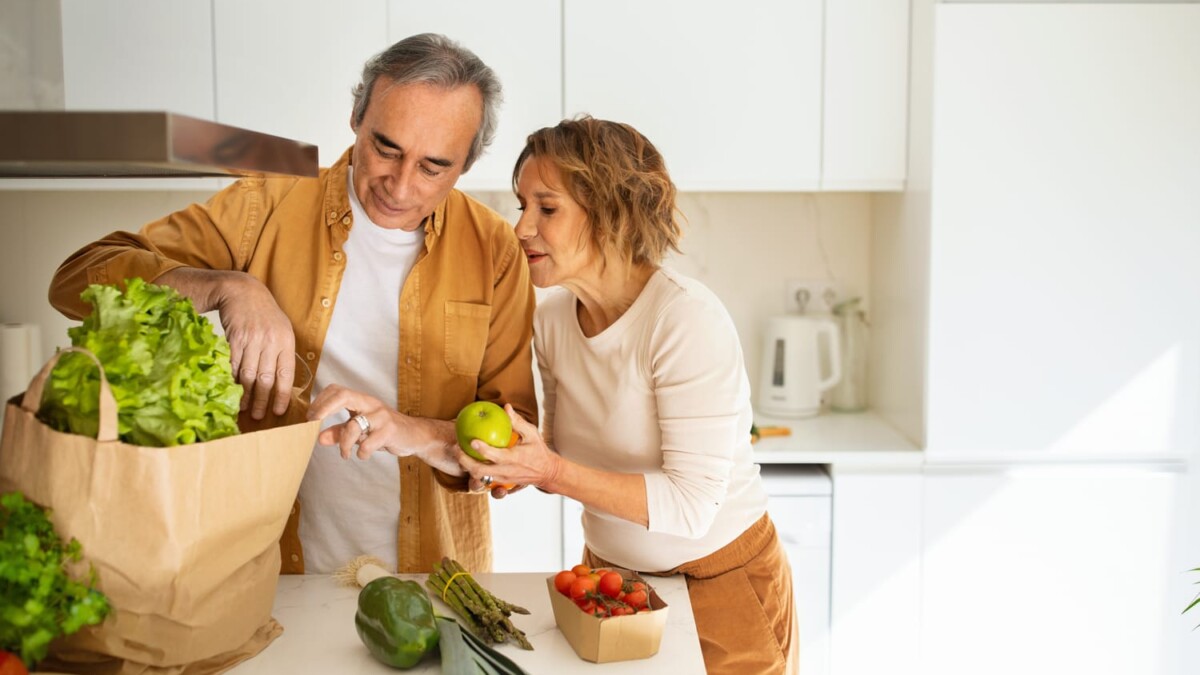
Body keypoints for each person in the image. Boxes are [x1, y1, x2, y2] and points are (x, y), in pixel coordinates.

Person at [47, 33, 537, 575]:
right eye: (386, 149)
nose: (399, 186)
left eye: (433, 167)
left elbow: (514, 452)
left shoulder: (493, 248)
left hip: (435, 577)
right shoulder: (266, 202)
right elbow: (77, 278)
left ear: (466, 163)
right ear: (355, 116)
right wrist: (227, 286)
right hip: (269, 569)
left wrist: (418, 431)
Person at [455, 116, 798, 674]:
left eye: (547, 208)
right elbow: (565, 461)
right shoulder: (554, 321)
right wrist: (518, 464)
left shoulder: (683, 320)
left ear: (612, 212)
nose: (521, 228)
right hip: (609, 584)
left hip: (720, 585)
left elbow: (689, 507)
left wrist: (550, 472)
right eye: (523, 206)